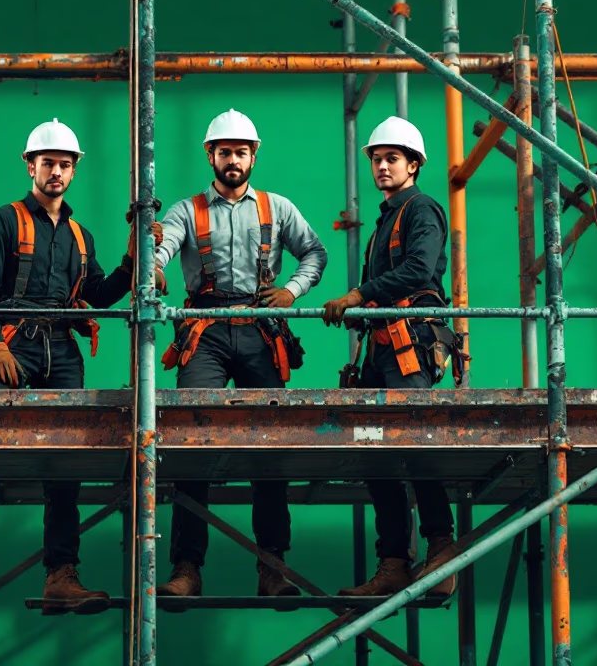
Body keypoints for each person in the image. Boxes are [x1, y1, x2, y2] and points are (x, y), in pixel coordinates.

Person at [0, 118, 145, 615]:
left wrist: (129, 266)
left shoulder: (81, 236)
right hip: (12, 342)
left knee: (66, 460)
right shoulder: (2, 221)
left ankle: (62, 572)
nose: (56, 172)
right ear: (30, 165)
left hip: (61, 349)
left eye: (64, 164)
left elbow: (96, 296)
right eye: (48, 163)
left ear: (74, 170)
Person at [154, 109, 328, 607]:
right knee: (191, 440)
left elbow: (315, 252)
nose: (234, 160)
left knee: (269, 448)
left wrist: (292, 291)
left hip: (259, 329)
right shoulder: (187, 211)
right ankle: (186, 568)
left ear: (254, 156)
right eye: (225, 151)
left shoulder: (277, 208)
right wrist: (155, 265)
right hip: (205, 332)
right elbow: (162, 244)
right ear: (211, 155)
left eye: (242, 152)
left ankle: (273, 565)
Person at [323, 116, 465, 598]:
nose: (382, 166)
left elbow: (419, 270)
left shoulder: (421, 209)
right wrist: (362, 310)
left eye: (392, 159)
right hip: (382, 348)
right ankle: (393, 563)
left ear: (413, 164)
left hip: (409, 349)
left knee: (415, 443)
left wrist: (359, 295)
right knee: (377, 452)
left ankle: (441, 550)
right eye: (377, 159)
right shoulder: (386, 218)